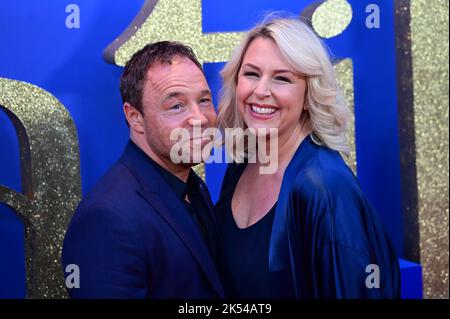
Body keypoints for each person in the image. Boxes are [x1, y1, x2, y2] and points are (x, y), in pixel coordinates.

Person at [215, 17, 400, 298]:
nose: (261, 91)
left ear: (307, 95)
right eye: (251, 74)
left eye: (282, 78)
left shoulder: (325, 188)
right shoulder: (243, 163)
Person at [62, 41, 225, 298]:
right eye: (176, 106)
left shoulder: (193, 187)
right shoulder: (107, 219)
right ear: (135, 117)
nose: (200, 118)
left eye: (204, 100)